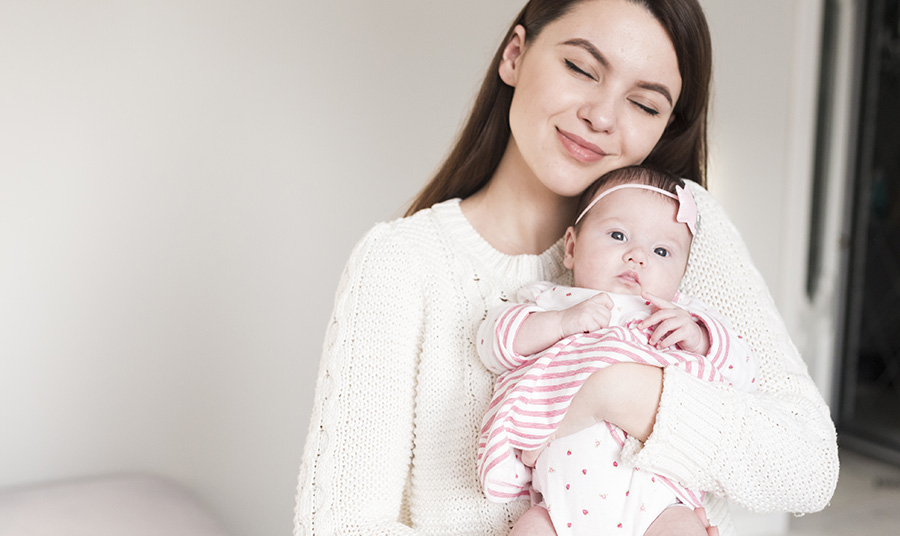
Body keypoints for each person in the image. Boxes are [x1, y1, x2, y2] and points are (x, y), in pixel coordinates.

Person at [294, 1, 839, 535]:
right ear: (515, 54)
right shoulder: (401, 264)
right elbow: (340, 525)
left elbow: (808, 465)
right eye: (580, 68)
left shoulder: (681, 232)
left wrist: (615, 392)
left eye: (645, 105)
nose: (601, 117)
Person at [476, 166, 759, 536]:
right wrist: (561, 323)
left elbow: (746, 375)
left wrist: (701, 338)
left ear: (681, 274)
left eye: (661, 251)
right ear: (572, 247)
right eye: (618, 235)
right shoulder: (554, 303)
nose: (637, 256)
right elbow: (492, 343)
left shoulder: (682, 319)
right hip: (561, 508)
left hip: (659, 505)